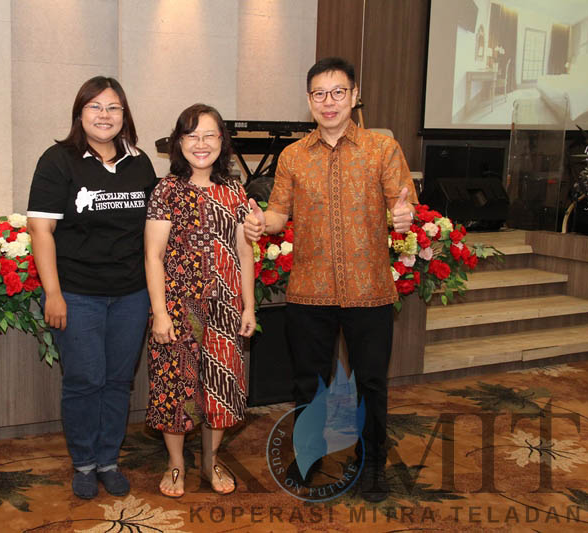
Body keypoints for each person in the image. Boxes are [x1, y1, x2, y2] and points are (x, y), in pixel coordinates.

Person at [243, 57, 416, 503]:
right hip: (310, 291)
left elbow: (402, 205)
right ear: (309, 100)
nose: (329, 102)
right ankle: (309, 454)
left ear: (355, 96)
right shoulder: (293, 156)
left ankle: (372, 462)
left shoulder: (382, 149)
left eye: (338, 92)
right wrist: (262, 222)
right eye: (319, 94)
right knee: (308, 382)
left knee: (371, 382)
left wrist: (402, 216)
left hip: (369, 290)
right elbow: (278, 213)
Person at [26, 76, 157, 500]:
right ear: (79, 113)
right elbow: (41, 231)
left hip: (131, 294)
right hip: (77, 293)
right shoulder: (58, 161)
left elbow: (155, 231)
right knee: (84, 380)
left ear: (125, 115)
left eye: (113, 107)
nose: (105, 115)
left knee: (118, 381)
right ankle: (83, 463)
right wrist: (54, 293)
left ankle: (108, 460)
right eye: (95, 106)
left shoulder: (139, 162)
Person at [144, 104, 256, 498]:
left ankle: (210, 460)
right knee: (175, 388)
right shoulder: (166, 190)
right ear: (178, 142)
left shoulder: (235, 190)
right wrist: (160, 313)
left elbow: (244, 253)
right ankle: (176, 463)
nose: (201, 143)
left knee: (220, 387)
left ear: (222, 141)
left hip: (225, 307)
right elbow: (153, 256)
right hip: (178, 307)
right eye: (191, 135)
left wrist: (248, 305)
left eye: (209, 135)